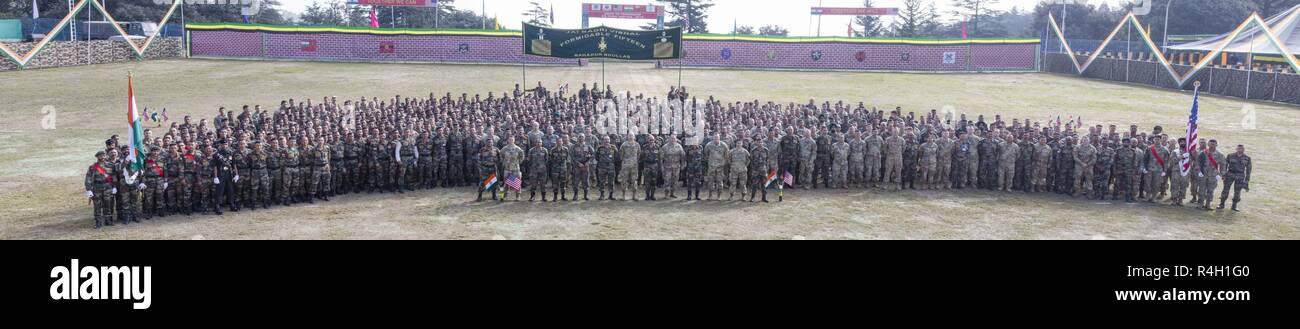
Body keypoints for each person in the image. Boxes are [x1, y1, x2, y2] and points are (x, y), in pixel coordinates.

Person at [85, 151, 116, 229]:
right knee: (97, 206)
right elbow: (88, 178)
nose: (102, 157)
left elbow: (114, 176)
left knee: (108, 205)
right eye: (100, 156)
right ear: (97, 157)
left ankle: (108, 220)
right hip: (97, 188)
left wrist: (114, 186)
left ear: (106, 156)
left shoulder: (111, 165)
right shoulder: (93, 167)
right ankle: (98, 222)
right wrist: (89, 189)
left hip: (107, 188)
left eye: (103, 155)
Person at [1219, 144, 1251, 211]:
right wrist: (1223, 175)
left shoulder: (1247, 158)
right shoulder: (1230, 156)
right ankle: (1221, 204)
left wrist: (1247, 180)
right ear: (1236, 149)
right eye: (1238, 148)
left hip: (1240, 176)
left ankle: (1234, 206)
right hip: (1230, 174)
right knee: (1225, 190)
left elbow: (1248, 170)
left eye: (1241, 149)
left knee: (1237, 192)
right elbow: (1225, 165)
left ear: (1244, 149)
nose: (1240, 150)